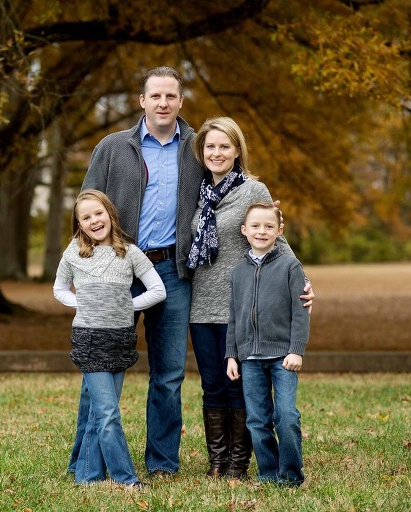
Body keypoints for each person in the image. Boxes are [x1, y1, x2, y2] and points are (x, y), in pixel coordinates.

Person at [77, 66, 204, 477]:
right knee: (100, 364)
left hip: (172, 271)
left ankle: (163, 464)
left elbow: (236, 196)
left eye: (171, 96)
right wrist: (86, 264)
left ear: (180, 102)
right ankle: (85, 460)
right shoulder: (113, 147)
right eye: (156, 96)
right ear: (142, 101)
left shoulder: (200, 148)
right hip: (115, 269)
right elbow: (84, 206)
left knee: (168, 374)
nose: (163, 103)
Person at [186, 117, 314, 480]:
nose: (217, 152)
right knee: (211, 384)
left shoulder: (253, 190)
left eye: (225, 146)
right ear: (202, 151)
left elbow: (277, 240)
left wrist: (302, 281)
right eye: (210, 146)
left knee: (239, 385)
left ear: (237, 150)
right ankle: (218, 461)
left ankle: (239, 464)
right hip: (201, 302)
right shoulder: (196, 191)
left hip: (242, 304)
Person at [53, 189, 167, 489]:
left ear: (110, 215)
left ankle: (87, 475)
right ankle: (125, 478)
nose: (94, 220)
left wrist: (126, 304)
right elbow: (59, 289)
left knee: (98, 411)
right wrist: (83, 303)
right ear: (79, 224)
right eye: (86, 217)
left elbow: (158, 290)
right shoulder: (73, 253)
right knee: (107, 413)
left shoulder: (130, 253)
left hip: (119, 340)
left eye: (98, 213)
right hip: (89, 340)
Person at [226, 202, 310, 486]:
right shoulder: (238, 273)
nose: (262, 231)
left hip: (283, 356)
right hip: (249, 359)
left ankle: (290, 475)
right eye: (256, 226)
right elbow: (234, 318)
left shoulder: (290, 266)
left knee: (285, 416)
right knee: (257, 420)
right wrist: (231, 356)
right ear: (244, 230)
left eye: (269, 226)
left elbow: (301, 311)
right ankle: (268, 474)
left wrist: (296, 349)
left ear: (279, 231)